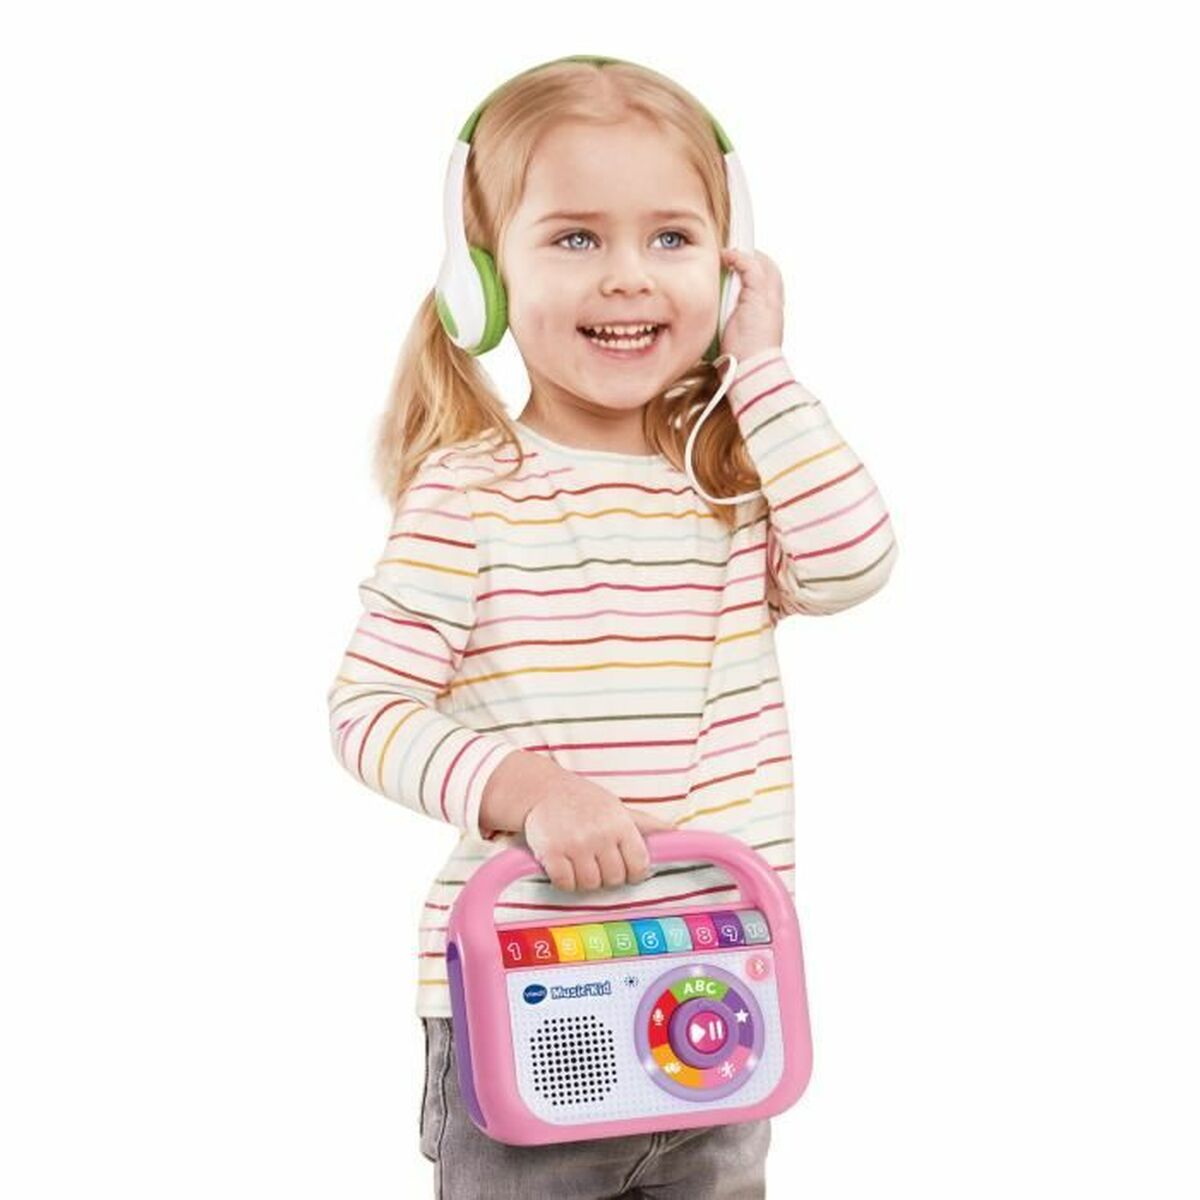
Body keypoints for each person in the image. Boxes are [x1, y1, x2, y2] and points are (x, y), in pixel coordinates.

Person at [326, 55, 898, 1199]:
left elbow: (853, 563)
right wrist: (530, 790)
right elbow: (367, 710)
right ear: (481, 277)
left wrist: (761, 371)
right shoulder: (469, 493)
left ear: (728, 268)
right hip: (531, 990)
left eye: (672, 237)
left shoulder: (736, 488)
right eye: (576, 237)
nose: (628, 275)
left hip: (720, 980)